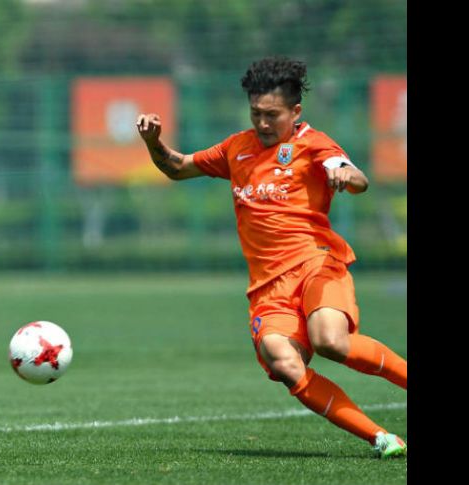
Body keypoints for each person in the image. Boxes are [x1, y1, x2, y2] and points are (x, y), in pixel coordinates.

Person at [136, 56, 407, 459]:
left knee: (330, 342)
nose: (263, 123)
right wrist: (153, 143)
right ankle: (382, 438)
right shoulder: (236, 148)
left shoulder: (314, 144)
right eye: (256, 113)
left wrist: (345, 176)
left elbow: (356, 176)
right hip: (267, 288)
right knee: (283, 364)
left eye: (272, 115)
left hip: (317, 264)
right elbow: (178, 168)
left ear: (295, 112)